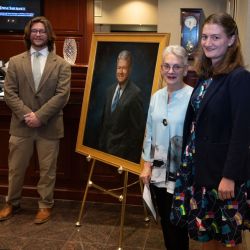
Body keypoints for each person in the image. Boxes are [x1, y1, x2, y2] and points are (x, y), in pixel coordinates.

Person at [170, 13, 250, 250]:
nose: (208, 42)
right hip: (200, 171)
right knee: (207, 236)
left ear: (231, 40)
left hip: (222, 176)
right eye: (205, 36)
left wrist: (230, 176)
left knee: (226, 241)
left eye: (216, 37)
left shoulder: (239, 78)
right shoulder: (206, 78)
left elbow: (242, 132)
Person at [0, 16, 71, 224]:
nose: (38, 34)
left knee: (48, 170)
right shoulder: (15, 61)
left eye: (42, 31)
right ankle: (12, 203)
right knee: (16, 168)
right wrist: (27, 115)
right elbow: (10, 93)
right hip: (21, 126)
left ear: (49, 35)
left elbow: (62, 95)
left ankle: (45, 205)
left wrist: (39, 116)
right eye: (34, 31)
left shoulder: (61, 65)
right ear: (28, 34)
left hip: (49, 126)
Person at [140, 45, 193, 250]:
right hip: (158, 174)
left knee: (178, 225)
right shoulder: (156, 97)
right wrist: (146, 165)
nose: (171, 71)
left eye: (177, 67)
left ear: (185, 70)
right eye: (167, 66)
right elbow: (149, 133)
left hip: (181, 175)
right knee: (166, 223)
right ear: (161, 68)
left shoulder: (193, 97)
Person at [99, 50, 145, 163]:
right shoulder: (109, 91)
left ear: (130, 70)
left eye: (124, 68)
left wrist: (127, 160)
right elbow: (104, 123)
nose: (121, 71)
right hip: (104, 152)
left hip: (123, 157)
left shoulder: (135, 94)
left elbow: (137, 133)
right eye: (119, 68)